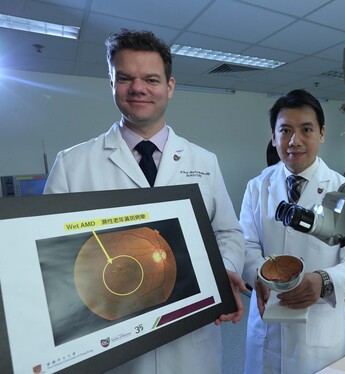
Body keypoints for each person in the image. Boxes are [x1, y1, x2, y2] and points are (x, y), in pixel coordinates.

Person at [43, 29, 246, 374]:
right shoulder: (72, 164)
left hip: (190, 341)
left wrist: (223, 270)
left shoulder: (203, 161)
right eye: (125, 78)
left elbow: (228, 232)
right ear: (112, 83)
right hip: (113, 341)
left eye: (151, 79)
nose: (138, 88)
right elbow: (51, 260)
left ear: (169, 87)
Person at [240, 89, 345, 373]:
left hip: (318, 324)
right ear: (273, 136)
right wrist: (263, 275)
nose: (295, 141)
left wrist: (324, 282)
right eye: (285, 131)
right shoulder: (258, 186)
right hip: (267, 318)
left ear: (322, 134)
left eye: (306, 129)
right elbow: (245, 244)